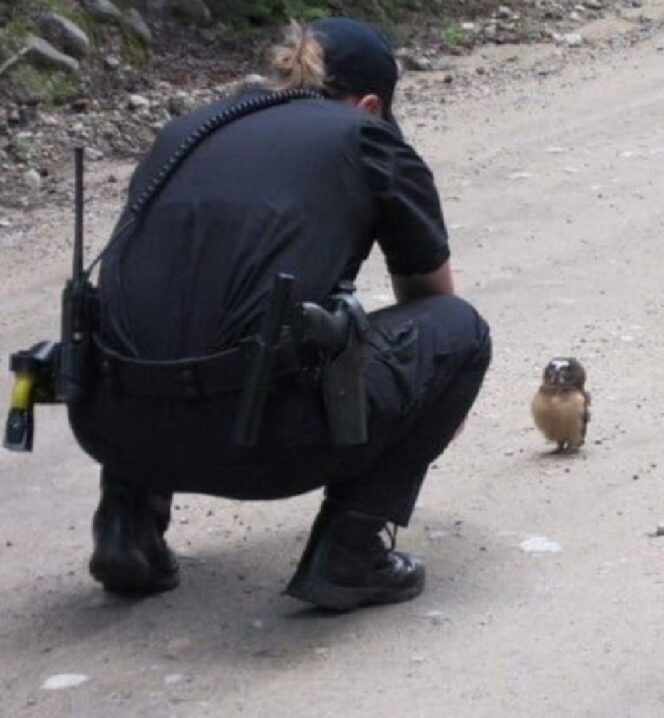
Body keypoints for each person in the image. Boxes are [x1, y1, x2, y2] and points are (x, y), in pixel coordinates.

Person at [67, 17, 491, 613]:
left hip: (111, 427)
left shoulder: (185, 133)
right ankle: (350, 552)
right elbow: (432, 298)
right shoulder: (368, 137)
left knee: (172, 308)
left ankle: (126, 530)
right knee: (461, 332)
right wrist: (428, 398)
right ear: (370, 103)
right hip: (259, 442)